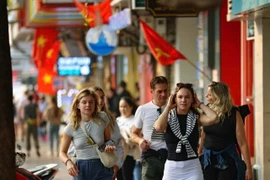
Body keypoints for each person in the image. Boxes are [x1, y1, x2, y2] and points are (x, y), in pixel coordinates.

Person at [153, 83, 218, 180]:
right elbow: (158, 127)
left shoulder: (196, 117)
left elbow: (214, 117)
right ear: (174, 99)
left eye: (187, 97)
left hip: (192, 168)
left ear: (192, 100)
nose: (183, 100)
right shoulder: (168, 116)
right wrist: (168, 107)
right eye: (180, 97)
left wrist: (200, 104)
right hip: (172, 169)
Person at [200, 81, 253, 180]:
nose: (206, 96)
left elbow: (242, 142)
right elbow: (203, 134)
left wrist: (248, 168)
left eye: (210, 94)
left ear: (219, 96)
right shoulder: (207, 109)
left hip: (227, 159)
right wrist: (199, 152)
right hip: (208, 159)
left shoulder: (234, 113)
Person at [59, 88, 115, 179]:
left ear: (95, 104)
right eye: (84, 102)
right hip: (81, 169)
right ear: (78, 105)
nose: (88, 105)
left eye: (91, 102)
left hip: (102, 166)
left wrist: (109, 147)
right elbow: (62, 152)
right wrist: (68, 162)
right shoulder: (71, 127)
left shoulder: (103, 118)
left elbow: (108, 141)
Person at [131, 76, 169, 180]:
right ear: (151, 91)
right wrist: (140, 141)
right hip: (150, 156)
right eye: (159, 91)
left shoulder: (174, 109)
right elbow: (133, 133)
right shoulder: (143, 109)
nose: (164, 94)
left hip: (171, 157)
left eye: (165, 90)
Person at [89, 86, 124, 180]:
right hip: (87, 169)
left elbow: (119, 144)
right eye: (96, 98)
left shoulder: (111, 119)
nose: (100, 101)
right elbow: (73, 150)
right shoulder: (82, 121)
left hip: (107, 168)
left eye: (102, 97)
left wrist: (117, 165)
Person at [117, 96, 141, 180]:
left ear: (131, 107)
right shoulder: (117, 121)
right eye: (121, 107)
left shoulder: (135, 120)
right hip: (118, 155)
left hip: (130, 155)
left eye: (125, 106)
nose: (123, 109)